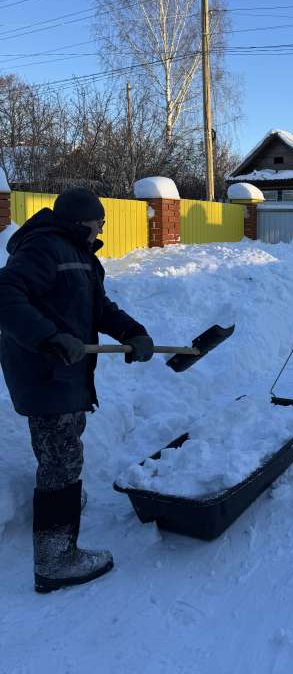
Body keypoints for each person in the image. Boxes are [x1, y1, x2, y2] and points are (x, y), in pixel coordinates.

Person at [0, 187, 154, 593]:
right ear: (80, 222)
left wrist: (132, 332)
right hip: (44, 370)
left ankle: (60, 508)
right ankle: (55, 560)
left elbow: (99, 308)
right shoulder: (44, 248)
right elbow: (5, 296)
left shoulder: (81, 256)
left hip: (65, 372)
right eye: (98, 222)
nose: (101, 228)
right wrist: (49, 337)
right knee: (61, 460)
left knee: (63, 449)